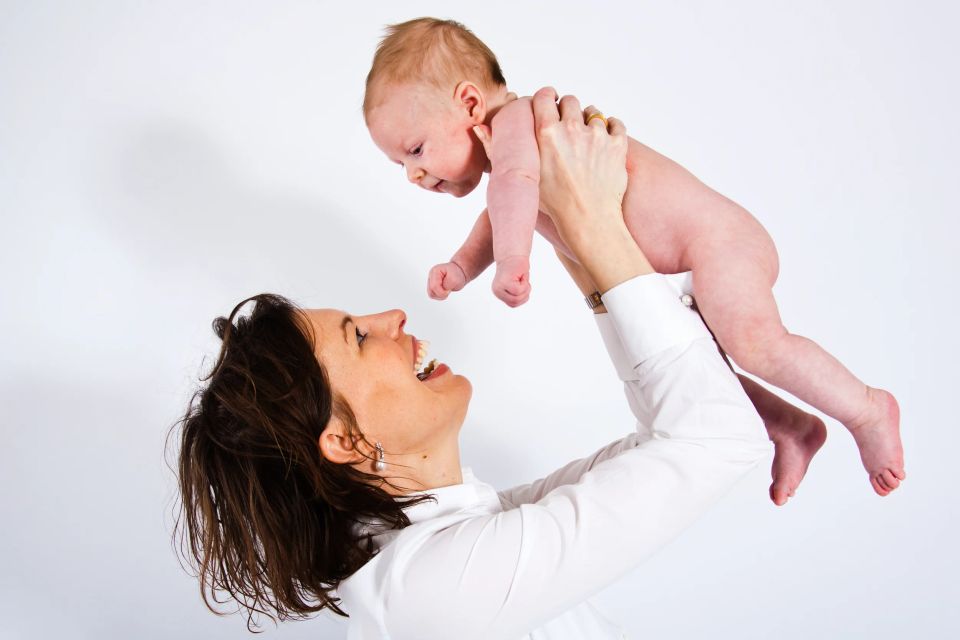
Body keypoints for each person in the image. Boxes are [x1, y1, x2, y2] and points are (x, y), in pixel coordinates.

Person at [174, 89, 771, 638]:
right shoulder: (430, 591)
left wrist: (569, 235)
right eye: (357, 337)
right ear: (346, 442)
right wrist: (590, 220)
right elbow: (718, 437)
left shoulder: (446, 545)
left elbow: (672, 435)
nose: (393, 317)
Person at [362, 17, 904, 504]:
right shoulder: (512, 163)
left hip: (717, 244)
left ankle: (866, 407)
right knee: (699, 364)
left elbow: (511, 190)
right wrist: (461, 267)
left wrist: (512, 262)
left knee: (757, 344)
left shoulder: (519, 126)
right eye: (399, 164)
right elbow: (501, 209)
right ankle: (788, 425)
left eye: (415, 150)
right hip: (679, 271)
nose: (412, 173)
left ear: (471, 104)